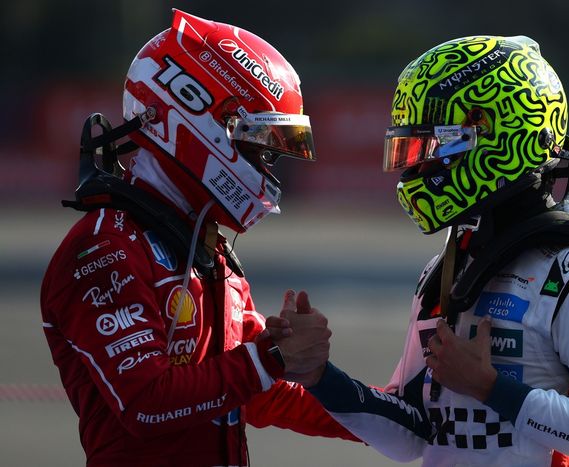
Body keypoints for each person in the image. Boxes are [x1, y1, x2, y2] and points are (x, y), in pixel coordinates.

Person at [285, 35, 569, 466]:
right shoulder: (446, 269)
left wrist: (490, 388)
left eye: (431, 150)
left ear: (493, 134)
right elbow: (412, 436)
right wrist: (320, 376)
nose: (417, 170)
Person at [40, 10, 356, 466]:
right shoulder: (104, 247)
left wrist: (389, 414)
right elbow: (146, 402)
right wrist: (271, 357)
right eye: (258, 146)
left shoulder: (208, 249)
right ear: (195, 113)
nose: (266, 169)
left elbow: (262, 394)